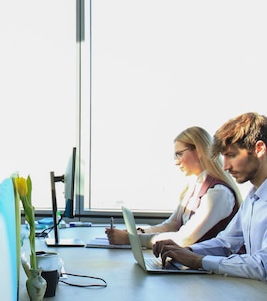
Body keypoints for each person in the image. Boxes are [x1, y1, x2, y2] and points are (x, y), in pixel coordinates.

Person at [153, 113, 267, 280]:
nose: (226, 166)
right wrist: (186, 251)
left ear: (259, 149)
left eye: (232, 155)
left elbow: (263, 265)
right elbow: (225, 243)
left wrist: (199, 261)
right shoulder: (253, 199)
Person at [106, 126, 242, 248]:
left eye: (179, 154)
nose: (176, 162)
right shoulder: (193, 188)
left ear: (199, 150)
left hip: (209, 271)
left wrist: (132, 239)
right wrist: (136, 232)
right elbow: (170, 226)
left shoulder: (218, 193)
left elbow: (184, 238)